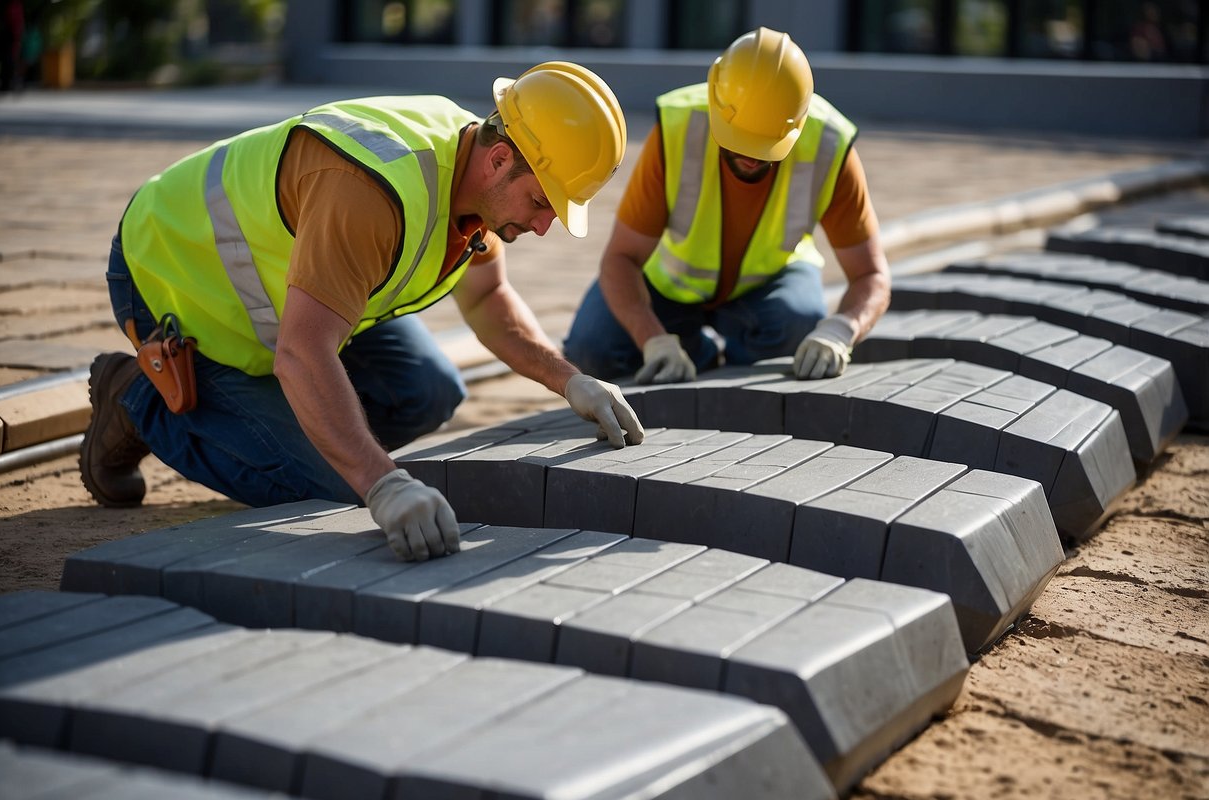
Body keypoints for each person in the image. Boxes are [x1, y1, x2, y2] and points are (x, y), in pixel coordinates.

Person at [80, 62, 645, 562]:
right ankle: (136, 397)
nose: (545, 225)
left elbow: (490, 299)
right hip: (172, 280)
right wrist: (380, 483)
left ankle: (298, 423)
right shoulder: (372, 189)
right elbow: (302, 353)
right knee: (330, 484)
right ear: (500, 160)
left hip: (298, 307)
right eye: (543, 202)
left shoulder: (472, 175)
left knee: (427, 388)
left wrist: (570, 381)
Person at [562, 27, 891, 386]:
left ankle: (730, 374)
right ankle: (696, 354)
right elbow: (620, 259)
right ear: (715, 102)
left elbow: (872, 275)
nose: (750, 156)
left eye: (764, 144)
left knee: (799, 324)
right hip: (668, 286)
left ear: (796, 123)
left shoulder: (830, 144)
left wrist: (842, 330)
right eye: (739, 140)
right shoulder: (678, 126)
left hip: (770, 286)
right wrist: (652, 339)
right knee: (591, 348)